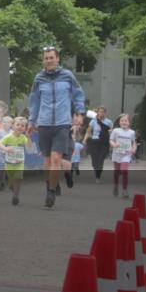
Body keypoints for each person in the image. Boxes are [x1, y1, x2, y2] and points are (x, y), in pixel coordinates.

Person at [28, 46, 86, 208]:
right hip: (44, 124)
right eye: (46, 58)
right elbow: (34, 101)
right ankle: (50, 185)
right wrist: (32, 121)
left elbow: (78, 94)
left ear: (57, 58)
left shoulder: (67, 76)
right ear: (43, 60)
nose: (48, 60)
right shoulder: (39, 78)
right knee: (46, 162)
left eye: (51, 57)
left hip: (62, 123)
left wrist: (80, 112)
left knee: (56, 158)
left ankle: (51, 192)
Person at [0, 117, 30, 206]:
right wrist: (5, 148)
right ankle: (11, 185)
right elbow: (0, 143)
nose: (20, 127)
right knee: (11, 179)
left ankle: (16, 196)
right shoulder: (8, 137)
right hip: (9, 163)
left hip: (19, 162)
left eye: (23, 126)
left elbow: (29, 146)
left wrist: (28, 137)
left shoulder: (23, 137)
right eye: (18, 125)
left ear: (24, 128)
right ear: (13, 126)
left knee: (18, 178)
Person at [110, 114, 137, 198]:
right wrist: (114, 144)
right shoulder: (116, 131)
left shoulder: (132, 132)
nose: (124, 122)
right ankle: (116, 186)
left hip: (126, 154)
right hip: (117, 154)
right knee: (117, 172)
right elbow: (111, 140)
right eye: (122, 120)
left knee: (124, 171)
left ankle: (125, 190)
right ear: (119, 122)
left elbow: (134, 142)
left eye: (126, 121)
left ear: (129, 122)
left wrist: (134, 149)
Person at [84, 106, 113, 183]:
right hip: (95, 141)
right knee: (95, 162)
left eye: (103, 112)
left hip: (104, 143)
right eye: (100, 112)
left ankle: (98, 177)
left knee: (101, 160)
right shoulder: (93, 121)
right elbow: (88, 131)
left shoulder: (109, 122)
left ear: (105, 113)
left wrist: (111, 141)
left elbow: (112, 132)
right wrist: (85, 140)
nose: (101, 113)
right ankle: (96, 170)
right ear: (98, 112)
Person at [0, 116, 13, 191]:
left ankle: (11, 183)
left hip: (10, 153)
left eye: (7, 122)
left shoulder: (12, 133)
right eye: (4, 122)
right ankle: (2, 183)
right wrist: (0, 147)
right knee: (2, 170)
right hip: (1, 153)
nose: (5, 123)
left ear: (11, 124)